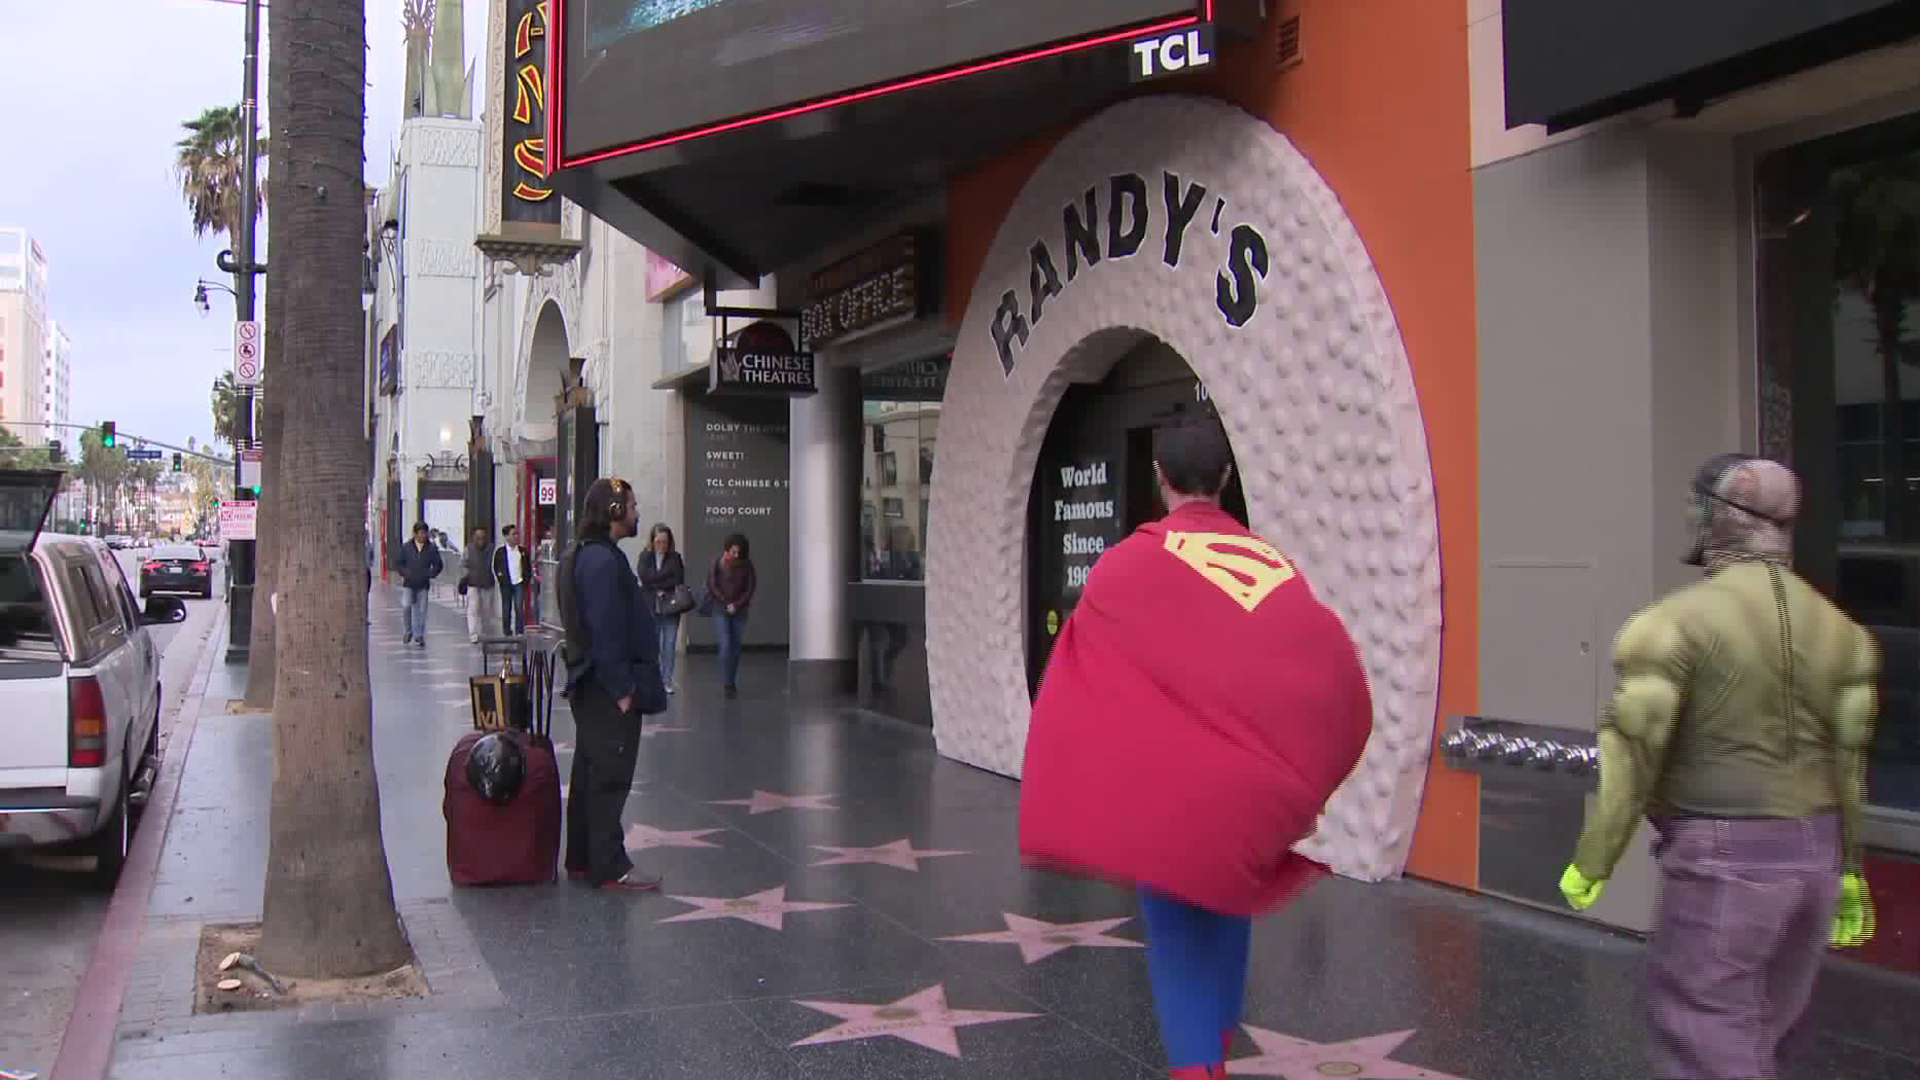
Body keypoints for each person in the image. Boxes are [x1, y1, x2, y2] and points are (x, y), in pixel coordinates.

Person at [1017, 415, 1373, 1080]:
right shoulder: (1271, 565)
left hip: (1171, 799)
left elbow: (1084, 675)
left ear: (1159, 479)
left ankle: (1198, 1068)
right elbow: (1332, 671)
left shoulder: (1126, 565)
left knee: (1179, 937)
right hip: (1249, 796)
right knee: (1227, 905)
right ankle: (1217, 1051)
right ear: (1226, 479)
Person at [1559, 454, 1878, 1080]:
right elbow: (1850, 766)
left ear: (1717, 517)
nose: (1686, 516)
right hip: (1816, 851)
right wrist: (1850, 871)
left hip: (1724, 857)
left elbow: (1634, 751)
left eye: (1692, 505)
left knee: (1706, 1033)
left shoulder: (1669, 624)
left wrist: (1594, 858)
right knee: (1767, 1028)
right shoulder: (1844, 633)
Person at [556, 477, 668, 891]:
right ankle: (610, 865)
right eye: (633, 506)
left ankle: (583, 857)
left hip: (590, 684)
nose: (639, 513)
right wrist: (622, 689)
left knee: (589, 771)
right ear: (616, 511)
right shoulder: (603, 561)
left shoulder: (581, 555)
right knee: (609, 777)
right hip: (607, 690)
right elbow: (606, 630)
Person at [705, 533, 756, 699]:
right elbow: (712, 585)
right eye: (733, 551)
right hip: (720, 609)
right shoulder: (717, 562)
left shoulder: (747, 565)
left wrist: (737, 604)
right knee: (726, 644)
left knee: (735, 647)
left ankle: (731, 680)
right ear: (727, 550)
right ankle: (728, 683)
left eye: (738, 553)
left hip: (740, 610)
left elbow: (750, 588)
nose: (735, 555)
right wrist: (726, 603)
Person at [638, 523, 686, 695]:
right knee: (653, 644)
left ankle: (666, 680)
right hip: (651, 606)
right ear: (652, 541)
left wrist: (658, 584)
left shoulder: (675, 558)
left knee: (669, 643)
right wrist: (662, 580)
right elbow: (644, 577)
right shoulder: (646, 556)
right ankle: (654, 679)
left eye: (664, 542)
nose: (661, 546)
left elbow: (678, 579)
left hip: (670, 607)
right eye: (658, 542)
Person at [393, 522, 443, 648]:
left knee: (422, 610)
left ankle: (419, 634)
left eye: (425, 533)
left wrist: (431, 574)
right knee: (406, 606)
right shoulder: (406, 547)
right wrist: (405, 572)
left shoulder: (431, 548)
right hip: (409, 583)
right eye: (420, 533)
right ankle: (408, 631)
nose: (423, 535)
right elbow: (398, 563)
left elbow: (438, 564)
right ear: (415, 534)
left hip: (423, 583)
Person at [493, 524, 532, 635]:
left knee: (519, 608)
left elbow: (527, 567)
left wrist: (526, 580)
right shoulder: (500, 552)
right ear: (506, 537)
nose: (516, 536)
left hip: (519, 583)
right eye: (513, 534)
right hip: (506, 584)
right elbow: (496, 567)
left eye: (517, 534)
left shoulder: (522, 551)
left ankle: (519, 630)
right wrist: (501, 579)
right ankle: (507, 631)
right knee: (506, 608)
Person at [462, 527, 498, 643]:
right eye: (478, 537)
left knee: (486, 611)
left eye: (483, 537)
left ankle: (485, 632)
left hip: (488, 584)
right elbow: (463, 564)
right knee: (473, 609)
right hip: (473, 584)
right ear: (473, 538)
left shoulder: (492, 549)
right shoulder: (468, 549)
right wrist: (465, 576)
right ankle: (473, 635)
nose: (480, 539)